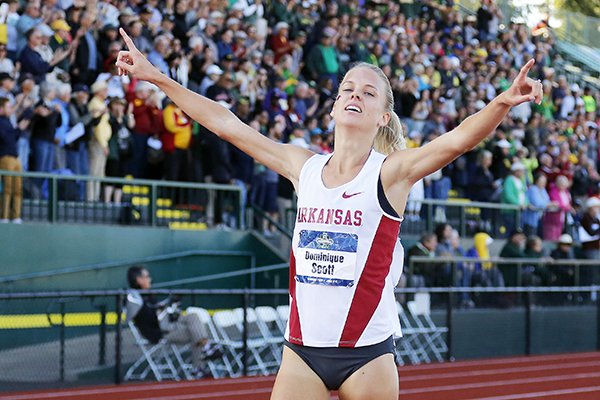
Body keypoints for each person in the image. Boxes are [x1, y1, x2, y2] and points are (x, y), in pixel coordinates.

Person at [115, 28, 543, 399]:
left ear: (382, 117)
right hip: (301, 350)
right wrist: (155, 76)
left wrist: (502, 103)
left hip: (367, 354)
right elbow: (227, 124)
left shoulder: (391, 173)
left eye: (368, 92)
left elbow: (457, 140)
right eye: (348, 89)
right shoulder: (304, 167)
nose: (355, 95)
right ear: (335, 106)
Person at [125, 266, 220, 375]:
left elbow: (160, 314)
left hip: (168, 325)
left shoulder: (150, 295)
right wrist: (160, 310)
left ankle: (204, 352)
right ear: (138, 279)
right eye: (146, 276)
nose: (150, 279)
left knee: (193, 317)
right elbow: (150, 319)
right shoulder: (134, 298)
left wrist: (170, 307)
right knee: (195, 332)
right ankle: (201, 361)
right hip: (158, 333)